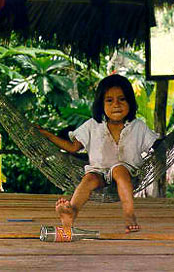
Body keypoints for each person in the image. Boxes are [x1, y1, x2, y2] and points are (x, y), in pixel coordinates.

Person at [38, 74, 160, 233]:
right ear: (101, 104)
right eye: (109, 100)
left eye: (122, 99)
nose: (116, 104)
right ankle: (71, 212)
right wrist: (47, 135)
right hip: (99, 171)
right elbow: (73, 147)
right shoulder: (92, 126)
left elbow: (159, 145)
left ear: (130, 102)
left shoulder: (138, 126)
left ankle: (129, 215)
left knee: (119, 170)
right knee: (89, 179)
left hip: (128, 172)